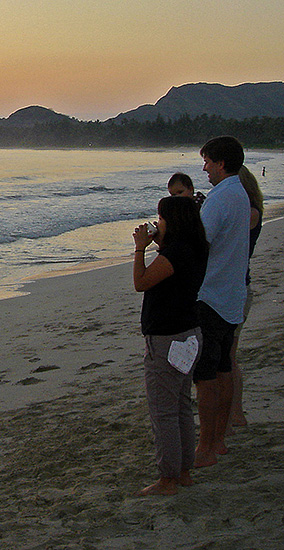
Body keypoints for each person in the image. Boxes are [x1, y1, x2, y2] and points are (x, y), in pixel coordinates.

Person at [132, 196, 208, 496]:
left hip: (167, 338)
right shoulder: (195, 247)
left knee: (164, 411)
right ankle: (184, 471)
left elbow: (141, 281)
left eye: (160, 218)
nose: (157, 223)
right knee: (180, 407)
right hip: (188, 333)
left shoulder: (175, 253)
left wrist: (140, 248)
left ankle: (168, 479)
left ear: (172, 221)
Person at [192, 136, 250, 468]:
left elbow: (201, 244)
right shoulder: (240, 194)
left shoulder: (220, 198)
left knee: (208, 376)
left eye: (208, 162)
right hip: (231, 295)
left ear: (221, 163)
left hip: (211, 295)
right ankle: (220, 441)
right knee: (224, 368)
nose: (205, 169)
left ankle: (206, 447)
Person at [229, 166, 264, 427]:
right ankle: (232, 412)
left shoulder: (251, 214)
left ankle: (235, 412)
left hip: (238, 287)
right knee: (226, 355)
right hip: (234, 285)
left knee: (228, 355)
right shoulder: (246, 212)